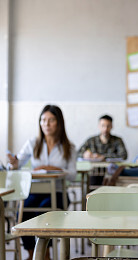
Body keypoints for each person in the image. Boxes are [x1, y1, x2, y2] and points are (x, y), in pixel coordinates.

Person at [7, 104, 77, 260]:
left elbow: (73, 175)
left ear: (59, 123)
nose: (46, 124)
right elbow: (17, 164)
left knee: (44, 211)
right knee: (23, 211)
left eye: (51, 120)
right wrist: (13, 163)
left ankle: (45, 254)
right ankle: (32, 253)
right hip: (35, 191)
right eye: (43, 120)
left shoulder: (69, 147)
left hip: (58, 193)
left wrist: (54, 168)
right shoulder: (33, 143)